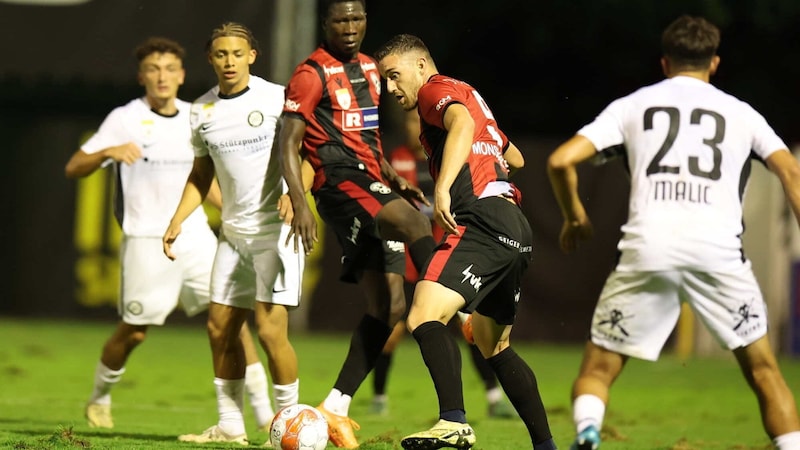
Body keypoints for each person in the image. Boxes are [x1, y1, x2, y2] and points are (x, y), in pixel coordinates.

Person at [546, 15, 800, 450]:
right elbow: (790, 171)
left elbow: (560, 160)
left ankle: (589, 432)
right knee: (763, 371)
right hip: (717, 252)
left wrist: (575, 217)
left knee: (599, 370)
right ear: (714, 63)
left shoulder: (633, 105)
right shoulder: (742, 114)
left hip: (648, 248)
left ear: (664, 62)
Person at [64, 37, 275, 432]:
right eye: (153, 69)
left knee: (233, 322)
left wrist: (230, 213)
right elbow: (75, 166)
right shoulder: (123, 118)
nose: (162, 76)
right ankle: (100, 397)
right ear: (142, 76)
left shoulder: (196, 115)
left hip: (196, 238)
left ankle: (265, 417)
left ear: (181, 75)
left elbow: (200, 179)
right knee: (135, 332)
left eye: (169, 69)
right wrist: (107, 153)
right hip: (146, 241)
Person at [374, 34, 556, 450]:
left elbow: (463, 124)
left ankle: (453, 422)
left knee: (422, 315)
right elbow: (515, 158)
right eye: (385, 80)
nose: (390, 88)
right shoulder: (468, 93)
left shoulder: (435, 90)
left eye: (394, 76)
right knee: (495, 345)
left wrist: (444, 188)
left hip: (481, 220)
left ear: (421, 65)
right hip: (515, 225)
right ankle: (546, 446)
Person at [279, 1, 437, 448]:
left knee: (388, 308)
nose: (349, 28)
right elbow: (287, 143)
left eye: (357, 19)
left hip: (372, 180)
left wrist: (393, 177)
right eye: (340, 20)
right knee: (415, 226)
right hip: (341, 185)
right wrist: (299, 198)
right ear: (324, 24)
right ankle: (452, 302)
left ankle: (335, 407)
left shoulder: (370, 67)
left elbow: (365, 138)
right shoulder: (310, 73)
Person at [162, 23, 304, 446]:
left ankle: (291, 424)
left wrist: (298, 194)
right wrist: (177, 219)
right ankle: (230, 426)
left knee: (269, 332)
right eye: (221, 54)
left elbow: (309, 153)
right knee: (219, 328)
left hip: (275, 235)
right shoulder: (201, 110)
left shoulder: (276, 97)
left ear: (252, 56)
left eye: (237, 54)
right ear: (211, 59)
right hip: (233, 236)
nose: (229, 62)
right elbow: (201, 174)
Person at [371, 110, 515, 420]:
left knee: (470, 328)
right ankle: (379, 398)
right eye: (409, 122)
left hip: (444, 255)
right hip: (407, 258)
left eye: (418, 123)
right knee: (391, 329)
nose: (414, 128)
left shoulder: (446, 157)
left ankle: (493, 398)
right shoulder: (395, 158)